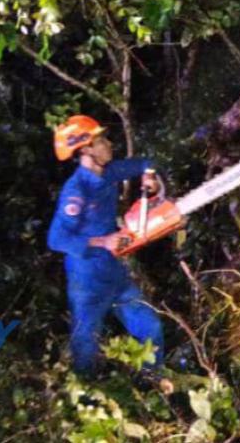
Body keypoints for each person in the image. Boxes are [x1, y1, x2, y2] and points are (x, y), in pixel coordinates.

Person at [47, 115, 167, 379]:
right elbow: (56, 239)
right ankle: (86, 394)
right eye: (101, 141)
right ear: (86, 150)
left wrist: (149, 176)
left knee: (150, 326)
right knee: (86, 346)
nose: (109, 144)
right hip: (87, 279)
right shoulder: (76, 191)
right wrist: (103, 241)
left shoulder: (109, 172)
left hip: (115, 273)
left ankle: (153, 383)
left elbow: (145, 162)